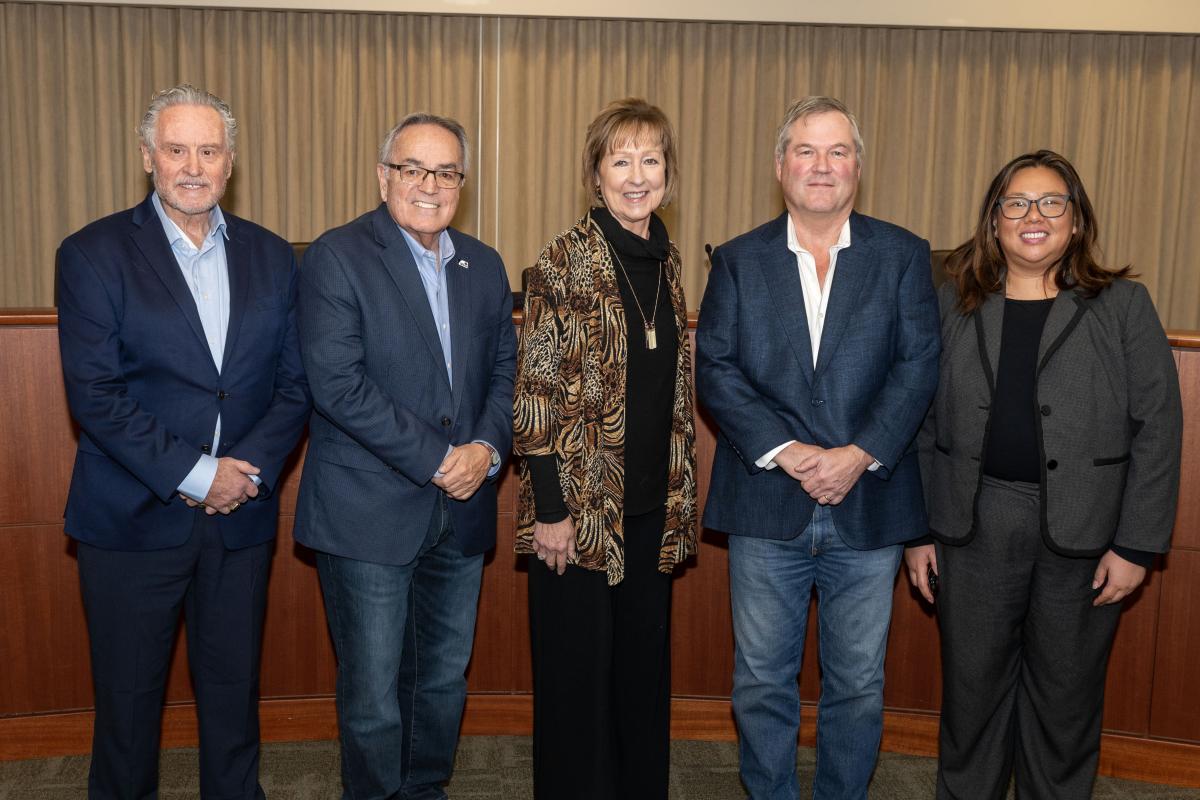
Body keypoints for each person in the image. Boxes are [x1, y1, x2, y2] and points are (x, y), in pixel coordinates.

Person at [56, 84, 311, 799]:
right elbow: (96, 395)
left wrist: (244, 474)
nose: (193, 167)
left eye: (209, 150)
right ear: (148, 157)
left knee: (234, 704)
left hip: (241, 521)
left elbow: (295, 385)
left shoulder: (274, 257)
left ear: (231, 162)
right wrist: (201, 474)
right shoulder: (92, 253)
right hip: (130, 523)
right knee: (128, 712)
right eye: (176, 150)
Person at [903, 149, 1183, 800]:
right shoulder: (954, 303)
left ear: (1076, 220)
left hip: (1087, 535)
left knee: (1065, 704)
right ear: (994, 221)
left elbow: (1159, 429)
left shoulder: (1123, 305)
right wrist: (917, 532)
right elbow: (919, 421)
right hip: (971, 529)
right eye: (1017, 204)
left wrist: (1136, 546)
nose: (1034, 216)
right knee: (970, 700)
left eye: (1052, 202)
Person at [695, 95, 940, 799]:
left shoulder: (903, 255)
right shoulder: (738, 260)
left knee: (858, 683)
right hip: (767, 500)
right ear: (780, 166)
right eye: (806, 151)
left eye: (838, 151)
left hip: (870, 504)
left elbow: (919, 365)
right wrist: (788, 451)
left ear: (859, 166)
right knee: (760, 680)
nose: (822, 165)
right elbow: (716, 369)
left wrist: (858, 453)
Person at [294, 112, 516, 800]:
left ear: (462, 183)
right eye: (412, 168)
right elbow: (338, 385)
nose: (430, 184)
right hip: (368, 512)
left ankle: (425, 790)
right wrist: (441, 458)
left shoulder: (484, 264)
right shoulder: (337, 256)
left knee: (442, 681)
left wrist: (485, 448)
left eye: (446, 171)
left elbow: (505, 372)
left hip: (463, 508)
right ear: (382, 176)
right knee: (373, 696)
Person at [512, 97, 698, 799]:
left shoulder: (667, 262)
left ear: (669, 174)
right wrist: (550, 512)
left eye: (650, 159)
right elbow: (534, 396)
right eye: (621, 160)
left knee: (640, 684)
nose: (636, 175)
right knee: (577, 690)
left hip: (651, 513)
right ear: (596, 175)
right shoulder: (563, 260)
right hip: (579, 517)